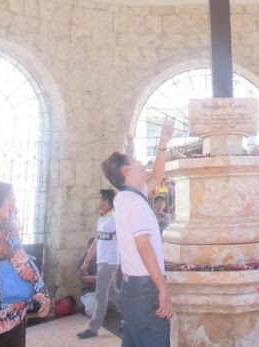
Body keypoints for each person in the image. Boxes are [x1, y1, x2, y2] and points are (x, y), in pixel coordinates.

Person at [101, 121, 174, 347]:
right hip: (145, 289)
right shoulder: (134, 203)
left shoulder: (126, 197)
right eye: (135, 160)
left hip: (132, 288)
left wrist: (163, 143)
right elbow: (144, 247)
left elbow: (157, 176)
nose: (141, 162)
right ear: (127, 171)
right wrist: (162, 287)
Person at [0, 181, 50, 346]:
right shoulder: (6, 228)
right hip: (6, 314)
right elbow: (22, 264)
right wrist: (41, 293)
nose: (12, 204)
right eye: (9, 199)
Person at [77, 188, 120, 340]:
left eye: (100, 199)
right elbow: (96, 242)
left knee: (101, 294)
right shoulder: (102, 219)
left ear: (107, 202)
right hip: (102, 261)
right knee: (113, 294)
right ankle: (131, 317)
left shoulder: (115, 220)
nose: (98, 201)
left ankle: (92, 328)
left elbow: (124, 240)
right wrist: (86, 262)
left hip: (109, 262)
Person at [78, 238, 97, 318]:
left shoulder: (102, 258)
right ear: (89, 248)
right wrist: (101, 278)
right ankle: (85, 307)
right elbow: (85, 278)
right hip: (90, 292)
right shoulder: (83, 261)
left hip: (104, 292)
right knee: (91, 312)